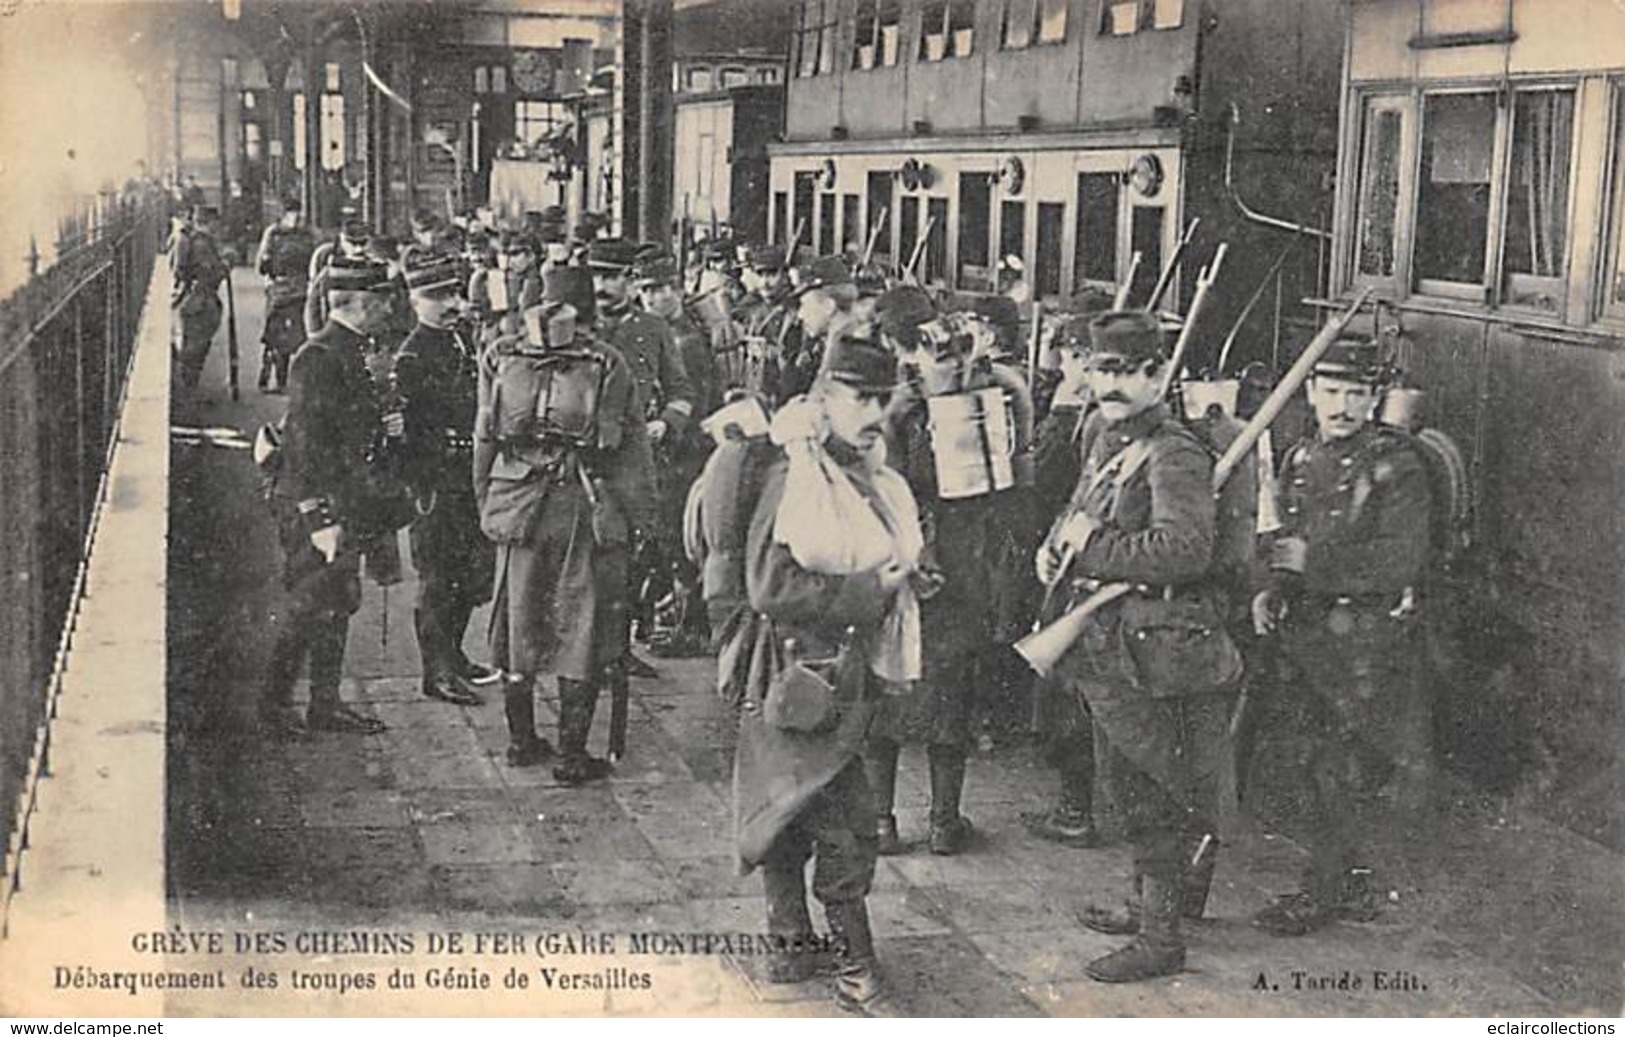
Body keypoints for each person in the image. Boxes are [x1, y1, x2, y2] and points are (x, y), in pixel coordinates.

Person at [1035, 311, 1240, 983]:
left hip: (1157, 649)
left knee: (1150, 786)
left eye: (1126, 372)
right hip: (1110, 641)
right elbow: (1080, 511)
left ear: (1158, 374)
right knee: (1123, 778)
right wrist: (1054, 549)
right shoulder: (1102, 434)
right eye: (1101, 369)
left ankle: (1160, 937)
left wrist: (1091, 547)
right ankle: (1145, 904)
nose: (1110, 383)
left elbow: (1184, 548)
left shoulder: (1173, 450)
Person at [733, 332, 918, 1014]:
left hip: (830, 673)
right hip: (796, 674)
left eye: (882, 395)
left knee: (794, 807)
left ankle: (789, 940)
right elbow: (768, 586)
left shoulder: (855, 467)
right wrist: (870, 591)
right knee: (842, 822)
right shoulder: (795, 473)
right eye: (858, 396)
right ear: (823, 399)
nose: (874, 409)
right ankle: (855, 970)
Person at [1249, 338, 1433, 937]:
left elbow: (1400, 561)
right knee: (1309, 762)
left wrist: (1313, 564)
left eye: (1358, 393)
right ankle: (1342, 877)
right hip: (1306, 635)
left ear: (1376, 397)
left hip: (1363, 641)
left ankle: (1324, 891)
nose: (1344, 405)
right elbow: (1284, 543)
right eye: (1331, 391)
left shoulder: (1396, 465)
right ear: (1311, 393)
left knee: (1338, 765)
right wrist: (1273, 588)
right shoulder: (1301, 457)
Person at [863, 286, 1035, 856]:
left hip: (907, 559)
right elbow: (1019, 483)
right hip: (966, 564)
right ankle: (942, 821)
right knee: (950, 694)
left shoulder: (902, 409)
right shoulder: (996, 400)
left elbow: (879, 479)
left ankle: (883, 822)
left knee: (890, 683)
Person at [473, 267, 656, 780]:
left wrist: (487, 501)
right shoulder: (608, 362)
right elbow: (631, 451)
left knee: (517, 619)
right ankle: (573, 755)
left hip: (515, 500)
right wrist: (639, 521)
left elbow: (484, 437)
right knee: (580, 621)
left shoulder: (499, 353)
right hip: (582, 503)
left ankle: (520, 741)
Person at [259, 256, 403, 739]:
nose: (389, 309)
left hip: (343, 501)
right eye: (383, 301)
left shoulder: (354, 350)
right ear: (363, 303)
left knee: (338, 601)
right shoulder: (318, 357)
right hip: (315, 506)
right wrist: (320, 519)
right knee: (307, 605)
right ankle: (275, 706)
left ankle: (326, 703)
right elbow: (305, 448)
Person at [393, 250, 497, 709]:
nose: (452, 303)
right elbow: (406, 434)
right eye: (438, 297)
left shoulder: (459, 341)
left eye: (454, 293)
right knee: (438, 579)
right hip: (436, 481)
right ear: (415, 301)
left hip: (469, 476)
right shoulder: (411, 356)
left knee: (470, 575)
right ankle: (435, 672)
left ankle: (453, 656)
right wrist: (420, 488)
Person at [634, 253, 718, 658]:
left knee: (681, 541)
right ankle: (679, 617)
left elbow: (693, 401)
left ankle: (693, 627)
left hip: (684, 453)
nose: (653, 297)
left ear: (678, 289)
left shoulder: (685, 340)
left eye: (661, 288)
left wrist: (666, 431)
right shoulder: (660, 332)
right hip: (667, 450)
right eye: (647, 289)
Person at [255, 198, 316, 393]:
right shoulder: (282, 234)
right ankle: (285, 380)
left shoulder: (280, 234)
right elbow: (262, 266)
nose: (296, 217)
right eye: (292, 212)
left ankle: (284, 381)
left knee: (285, 337)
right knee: (287, 336)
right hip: (290, 289)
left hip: (290, 290)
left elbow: (262, 266)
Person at [169, 205, 229, 391]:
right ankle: (189, 391)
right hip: (199, 302)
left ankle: (188, 388)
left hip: (191, 299)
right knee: (196, 349)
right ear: (209, 222)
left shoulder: (190, 239)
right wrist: (226, 266)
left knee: (192, 346)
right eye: (214, 223)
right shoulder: (202, 243)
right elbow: (211, 272)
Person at [303, 215, 373, 336]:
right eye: (353, 243)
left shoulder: (372, 261)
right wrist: (314, 334)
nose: (358, 249)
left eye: (363, 243)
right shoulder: (326, 257)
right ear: (342, 239)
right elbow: (313, 302)